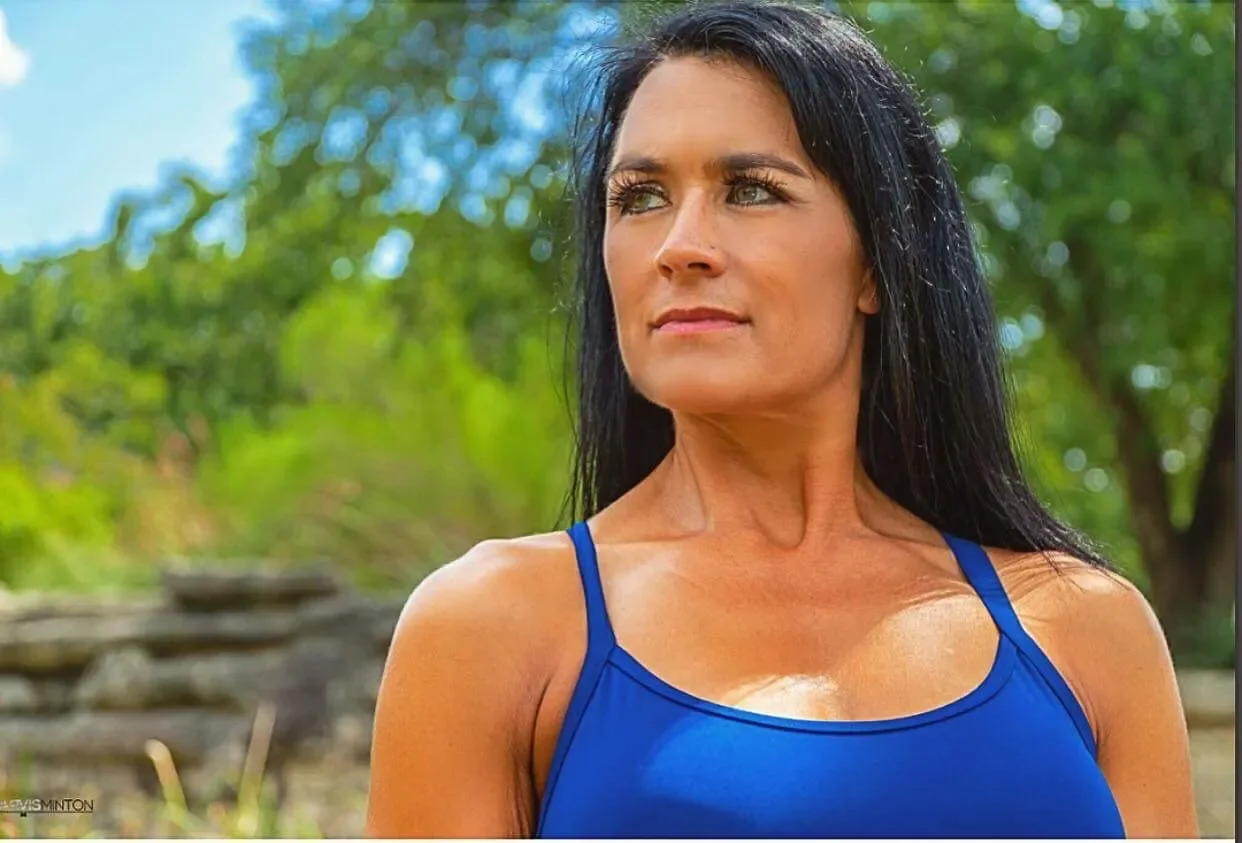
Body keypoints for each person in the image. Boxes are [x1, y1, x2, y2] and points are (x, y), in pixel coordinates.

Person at [365, 0, 1199, 837]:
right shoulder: (492, 626)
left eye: (752, 190)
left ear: (878, 262)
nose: (679, 244)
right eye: (641, 197)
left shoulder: (1085, 628)